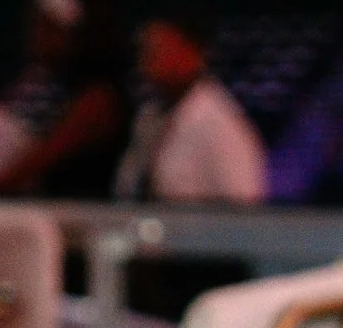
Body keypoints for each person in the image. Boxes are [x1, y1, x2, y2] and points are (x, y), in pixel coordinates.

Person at [0, 0, 130, 197]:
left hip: (82, 214)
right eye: (33, 24)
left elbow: (37, 163)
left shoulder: (99, 98)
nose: (34, 36)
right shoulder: (37, 85)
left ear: (75, 33)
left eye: (47, 27)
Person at [115, 15, 270, 202]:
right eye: (146, 50)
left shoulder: (220, 123)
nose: (147, 60)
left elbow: (246, 207)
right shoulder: (148, 116)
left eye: (160, 49)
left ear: (193, 51)